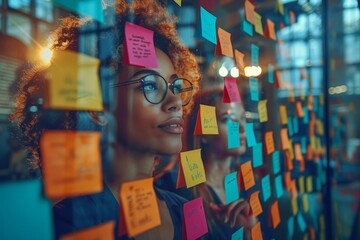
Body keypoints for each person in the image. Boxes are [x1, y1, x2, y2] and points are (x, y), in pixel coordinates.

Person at [11, 0, 200, 239]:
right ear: (98, 109)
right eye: (150, 85)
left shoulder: (183, 210)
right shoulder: (73, 224)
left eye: (175, 85)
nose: (174, 101)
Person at [185, 87, 256, 239]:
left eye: (243, 118)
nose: (242, 128)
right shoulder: (186, 192)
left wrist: (250, 230)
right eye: (229, 119)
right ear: (203, 132)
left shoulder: (246, 182)